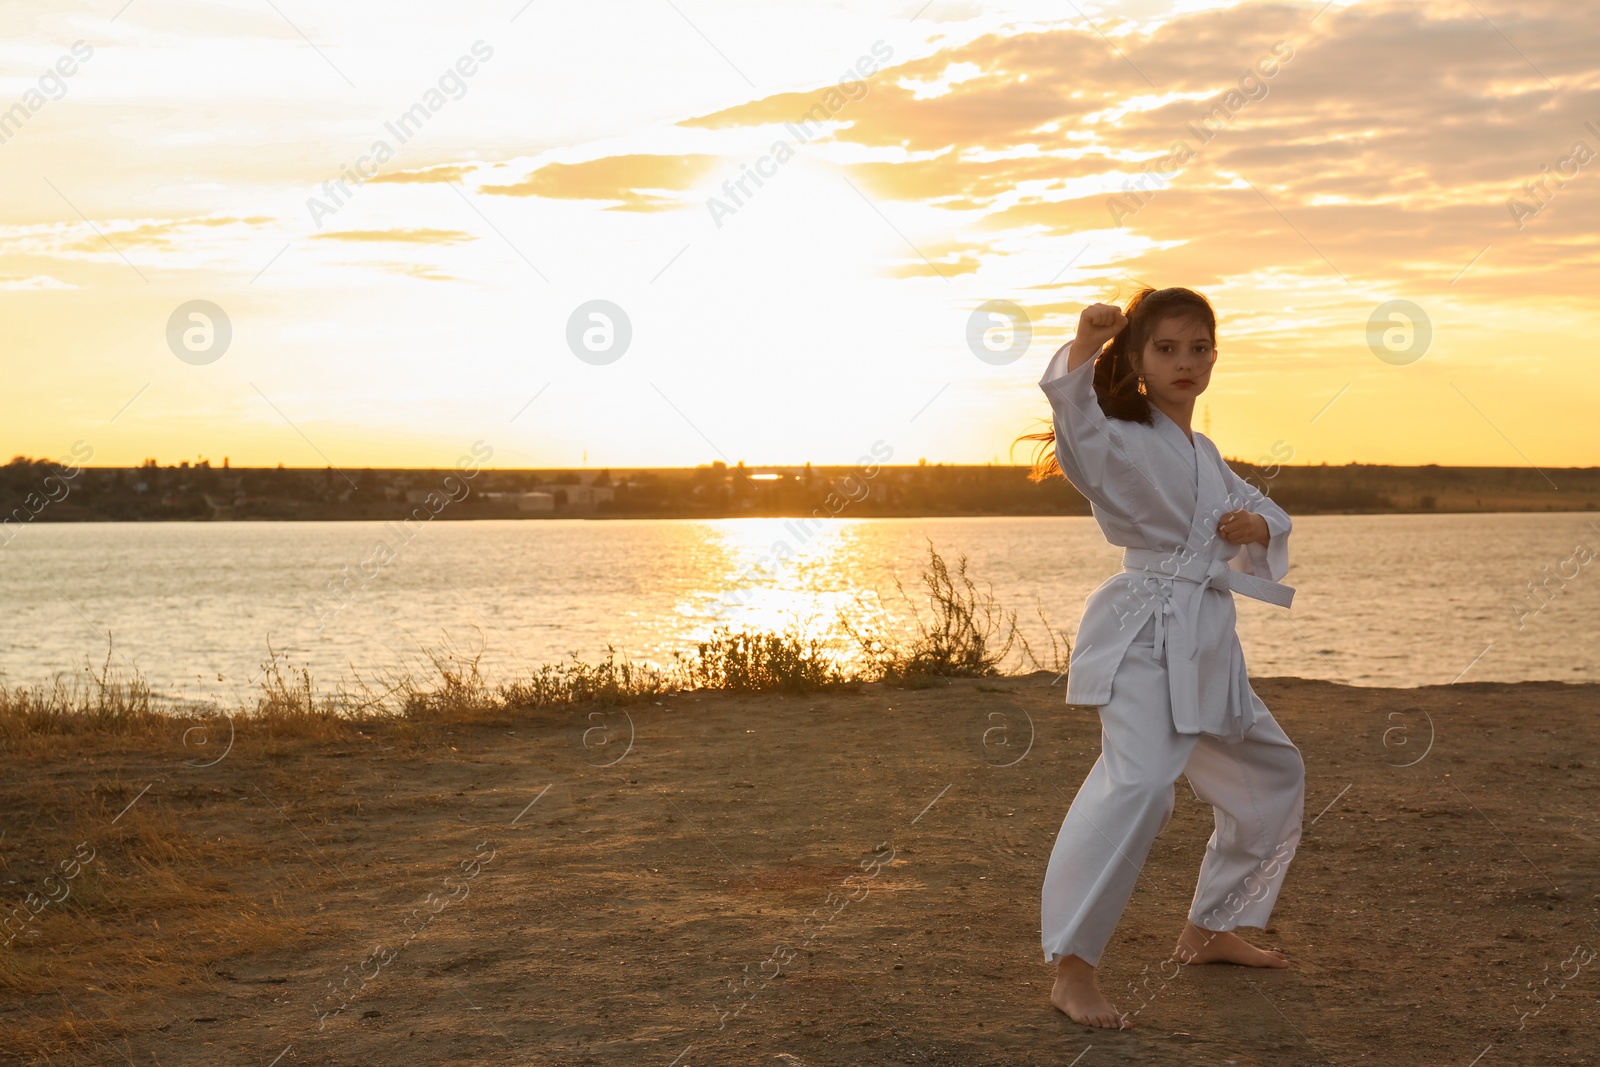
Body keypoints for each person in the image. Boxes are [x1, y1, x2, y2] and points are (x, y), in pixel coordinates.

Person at [1018, 287, 1305, 1029]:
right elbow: (1074, 423)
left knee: (1271, 775)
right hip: (1146, 634)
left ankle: (1209, 927)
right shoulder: (1118, 434)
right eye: (1167, 348)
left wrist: (1254, 522)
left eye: (1199, 347)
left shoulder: (1203, 452)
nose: (1186, 361)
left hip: (1206, 641)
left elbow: (1268, 515)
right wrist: (1083, 344)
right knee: (1141, 783)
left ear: (1214, 356)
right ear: (1138, 361)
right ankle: (1072, 967)